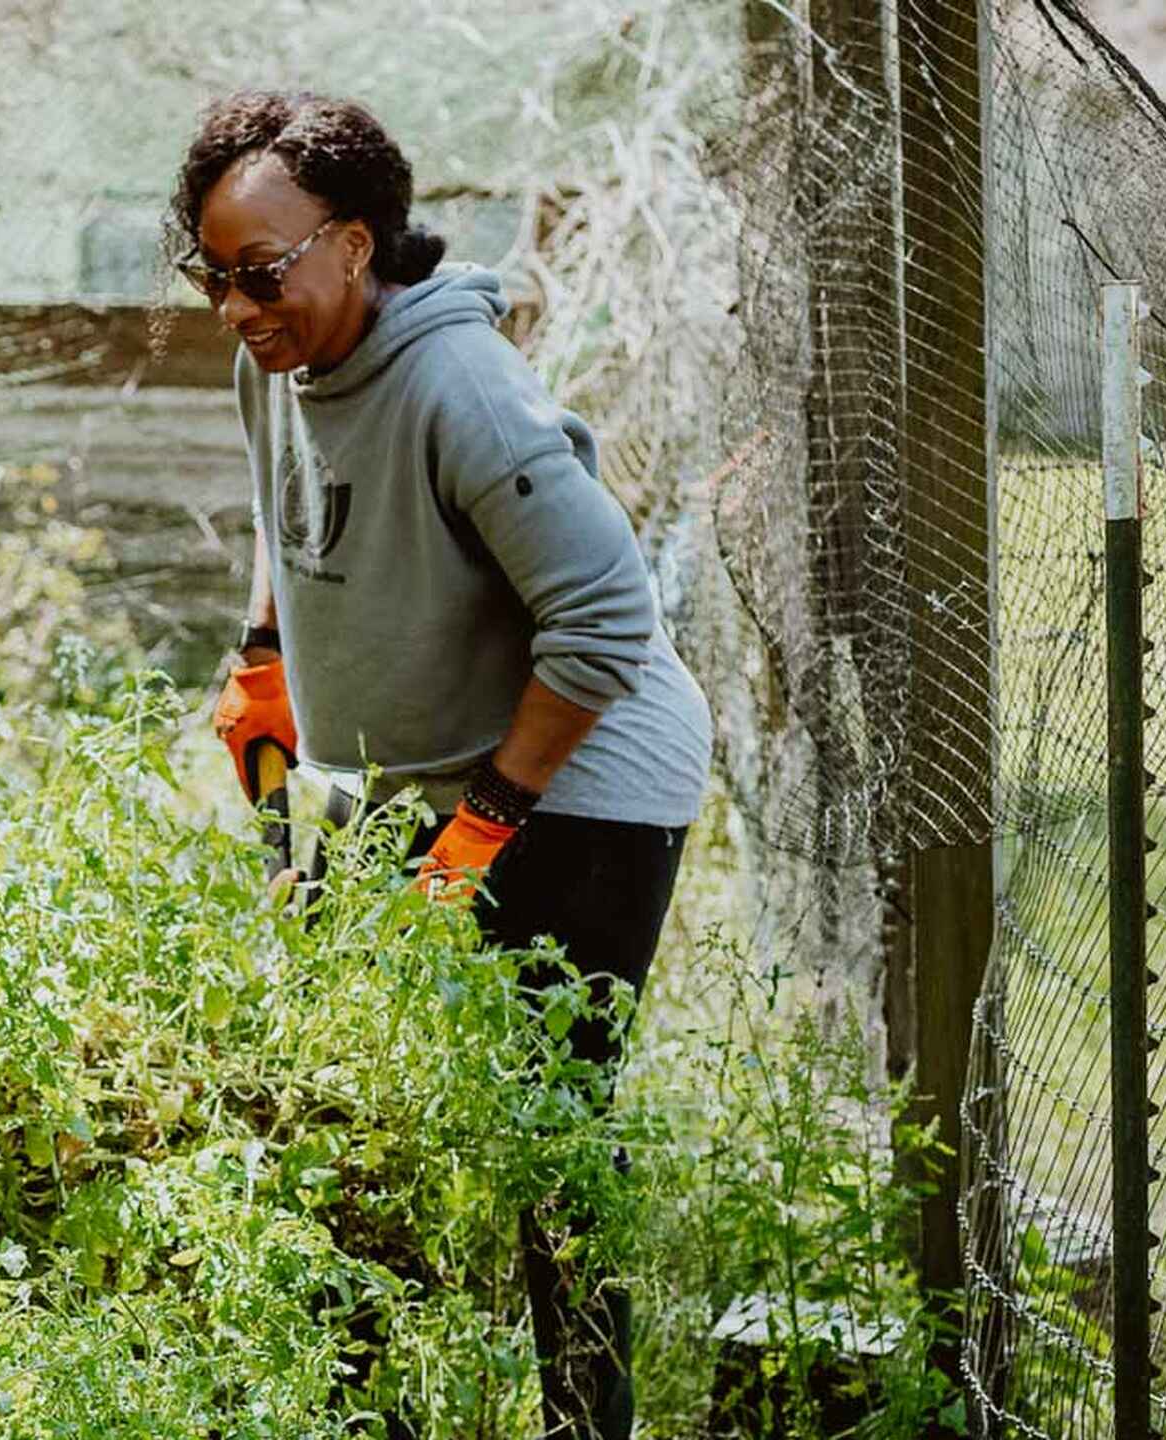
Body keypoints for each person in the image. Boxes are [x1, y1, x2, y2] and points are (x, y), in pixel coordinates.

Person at [183, 91, 712, 1440]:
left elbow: (601, 624)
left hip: (581, 779)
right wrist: (259, 665)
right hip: (389, 777)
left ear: (353, 245)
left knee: (545, 1135)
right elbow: (276, 498)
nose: (237, 307)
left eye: (259, 273)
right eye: (210, 276)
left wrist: (482, 827)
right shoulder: (276, 355)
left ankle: (584, 1424)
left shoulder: (461, 387)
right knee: (339, 1106)